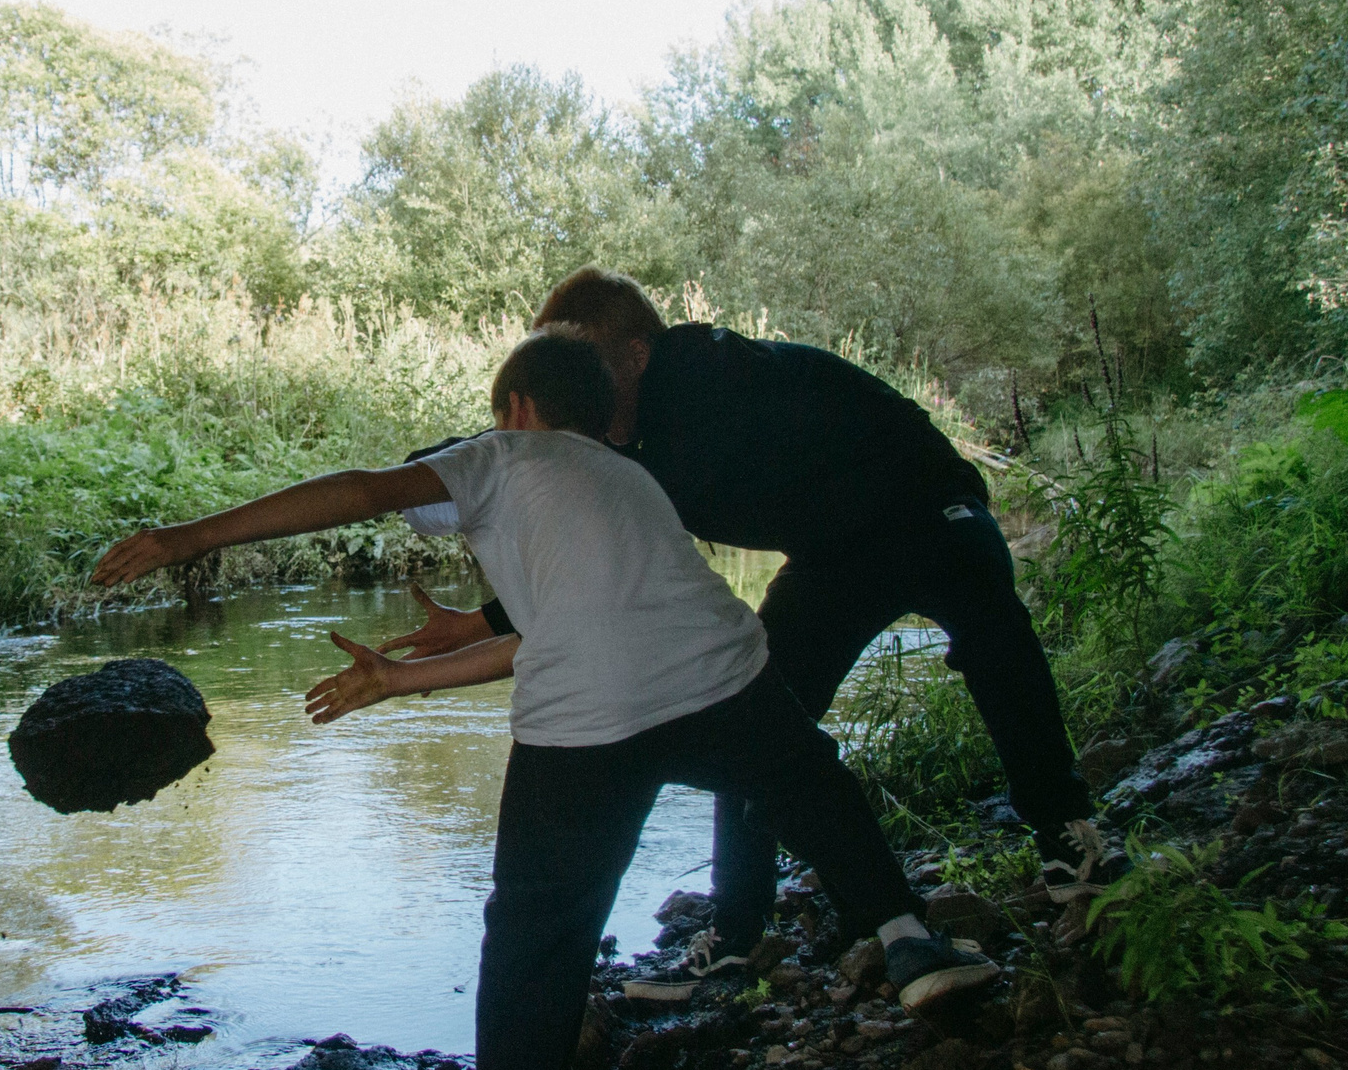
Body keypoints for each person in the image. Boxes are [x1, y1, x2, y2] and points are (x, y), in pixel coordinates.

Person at [92, 331, 997, 1070]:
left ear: (515, 409)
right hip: (720, 672)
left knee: (536, 921)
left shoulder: (498, 455)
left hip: (584, 722)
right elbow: (562, 632)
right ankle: (905, 937)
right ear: (604, 418)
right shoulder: (632, 475)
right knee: (815, 790)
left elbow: (364, 489)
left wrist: (190, 537)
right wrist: (406, 679)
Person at [384, 269, 1115, 972]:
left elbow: (617, 507)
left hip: (927, 510)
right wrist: (475, 613)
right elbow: (592, 548)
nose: (569, 387)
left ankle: (1065, 831)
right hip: (831, 556)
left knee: (993, 630)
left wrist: (494, 543)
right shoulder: (622, 437)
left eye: (582, 364)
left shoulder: (702, 375)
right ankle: (739, 927)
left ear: (637, 353)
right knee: (750, 705)